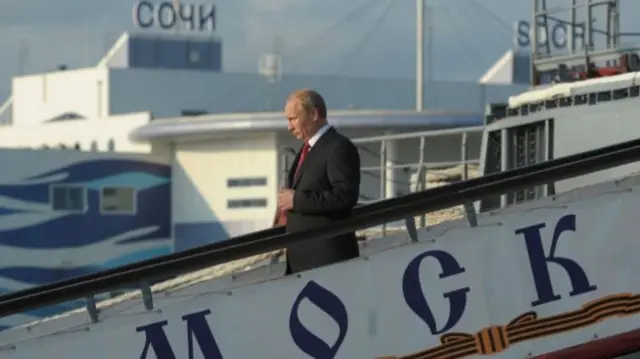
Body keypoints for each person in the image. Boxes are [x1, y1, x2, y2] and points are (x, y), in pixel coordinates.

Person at [275, 88, 361, 274]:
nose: (289, 127)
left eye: (293, 119)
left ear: (314, 114)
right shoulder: (307, 150)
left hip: (327, 261)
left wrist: (296, 200)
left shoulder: (338, 147)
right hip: (303, 262)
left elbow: (344, 196)